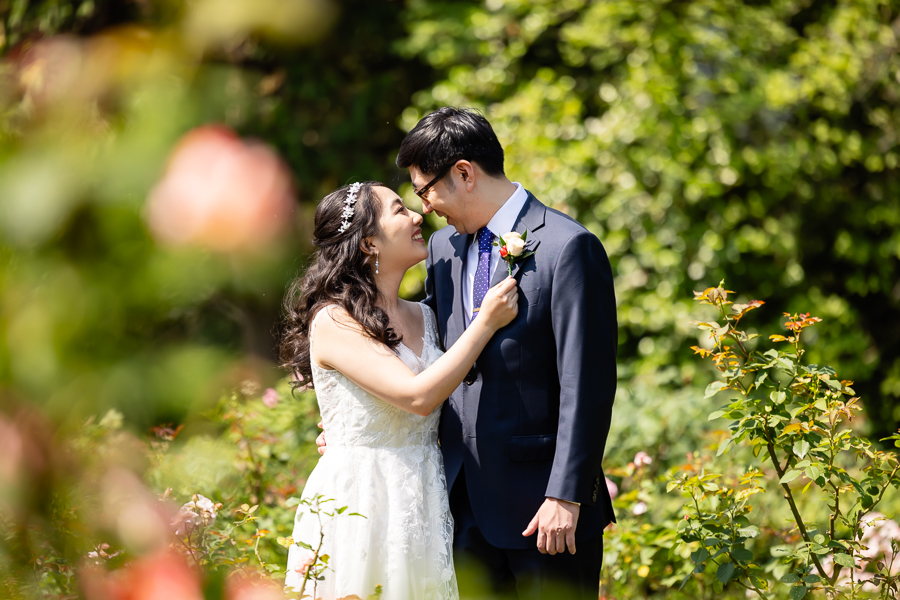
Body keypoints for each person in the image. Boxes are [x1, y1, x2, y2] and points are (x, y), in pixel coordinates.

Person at [397, 107, 618, 599]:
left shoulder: (568, 247)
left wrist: (566, 492)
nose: (426, 207)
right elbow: (427, 351)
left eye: (425, 189)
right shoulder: (441, 249)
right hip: (462, 502)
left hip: (546, 510)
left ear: (463, 173)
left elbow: (589, 384)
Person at [278, 180, 519, 600]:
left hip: (426, 494)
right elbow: (417, 397)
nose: (416, 215)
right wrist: (486, 321)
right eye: (398, 210)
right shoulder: (334, 322)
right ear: (369, 243)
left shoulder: (426, 314)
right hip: (363, 502)